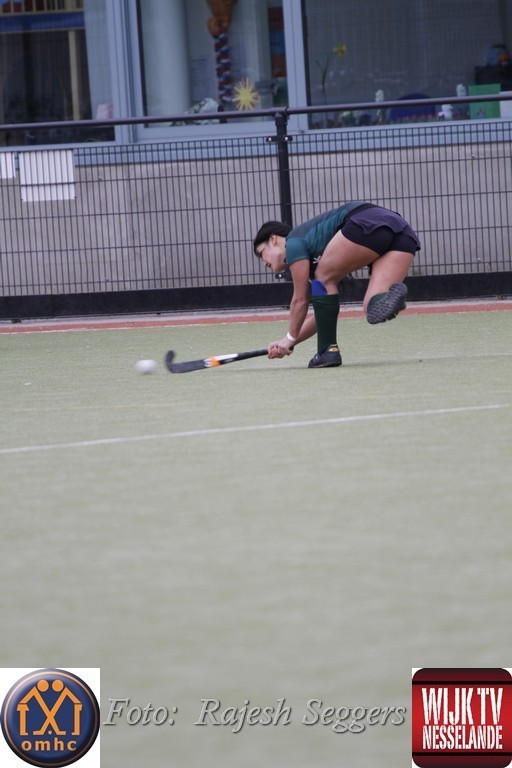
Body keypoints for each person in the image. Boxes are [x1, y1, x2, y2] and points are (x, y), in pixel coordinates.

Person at [253, 201, 421, 368]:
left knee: (322, 278)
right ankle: (387, 297)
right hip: (402, 233)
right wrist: (289, 341)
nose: (264, 263)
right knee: (371, 305)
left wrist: (290, 337)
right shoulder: (312, 256)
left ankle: (327, 351)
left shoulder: (293, 244)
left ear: (273, 239)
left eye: (261, 254)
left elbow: (300, 299)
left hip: (364, 221)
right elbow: (323, 315)